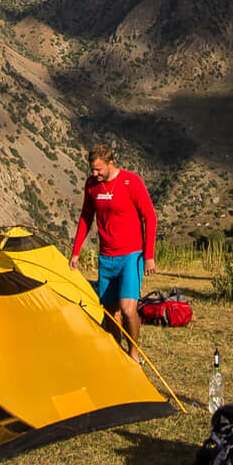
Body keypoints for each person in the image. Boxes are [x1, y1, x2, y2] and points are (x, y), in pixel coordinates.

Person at [71, 144, 157, 348]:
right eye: (92, 169)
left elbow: (150, 217)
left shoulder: (130, 181)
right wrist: (76, 252)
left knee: (128, 309)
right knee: (111, 312)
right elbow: (85, 217)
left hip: (131, 255)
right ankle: (118, 354)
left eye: (98, 169)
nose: (95, 173)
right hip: (106, 257)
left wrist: (149, 255)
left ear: (111, 164)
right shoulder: (91, 185)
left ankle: (134, 353)